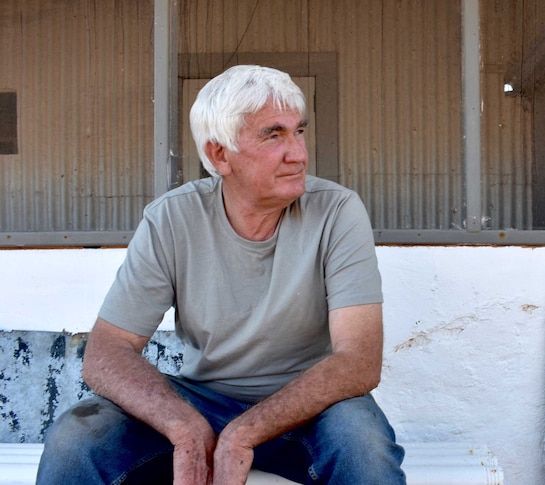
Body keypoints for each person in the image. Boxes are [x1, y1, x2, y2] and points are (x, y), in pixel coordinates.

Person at [36, 65, 406, 485]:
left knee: (365, 447)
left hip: (309, 409)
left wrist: (242, 434)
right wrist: (186, 427)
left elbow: (357, 361)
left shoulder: (337, 211)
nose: (298, 153)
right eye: (273, 135)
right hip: (199, 402)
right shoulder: (172, 218)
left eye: (298, 131)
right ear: (219, 155)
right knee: (75, 438)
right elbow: (106, 352)